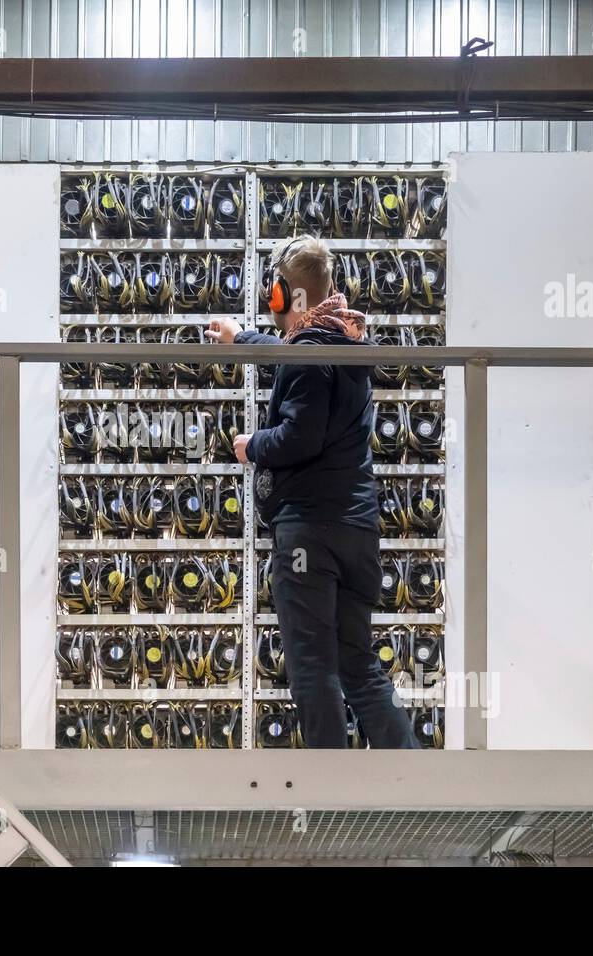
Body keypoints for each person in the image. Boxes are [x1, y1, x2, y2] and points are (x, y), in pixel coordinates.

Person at [206, 234, 419, 749]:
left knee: (311, 662)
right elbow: (292, 351)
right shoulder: (342, 340)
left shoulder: (307, 353)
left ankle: (333, 794)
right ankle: (413, 780)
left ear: (286, 296)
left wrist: (252, 444)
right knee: (356, 661)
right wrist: (242, 340)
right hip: (357, 530)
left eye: (273, 293)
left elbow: (300, 436)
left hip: (310, 531)